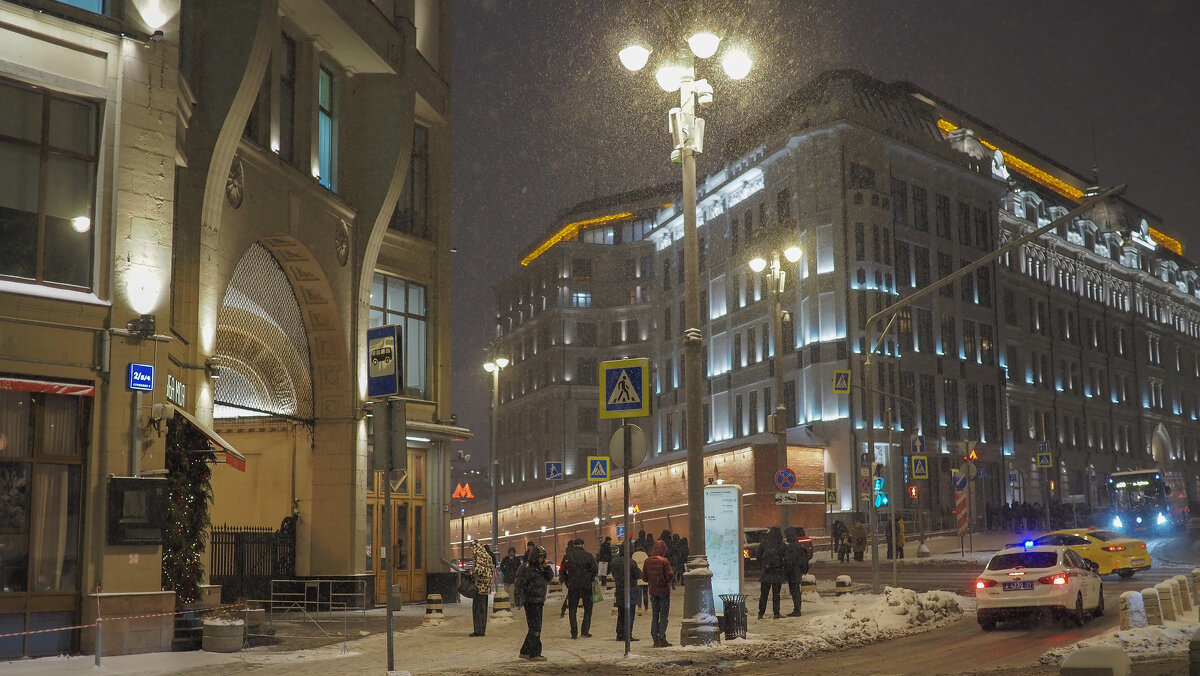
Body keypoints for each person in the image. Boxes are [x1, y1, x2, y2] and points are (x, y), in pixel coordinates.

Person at [514, 545, 554, 661]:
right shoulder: (525, 568)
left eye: (543, 557)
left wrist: (546, 568)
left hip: (539, 600)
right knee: (535, 628)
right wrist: (519, 601)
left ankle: (525, 651)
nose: (542, 560)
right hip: (531, 601)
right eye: (540, 557)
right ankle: (535, 653)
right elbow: (519, 585)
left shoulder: (541, 568)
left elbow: (549, 578)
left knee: (534, 627)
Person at [562, 537, 597, 639]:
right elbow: (595, 569)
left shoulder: (568, 556)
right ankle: (585, 631)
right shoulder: (588, 556)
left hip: (573, 586)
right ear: (583, 545)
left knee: (572, 609)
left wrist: (568, 581)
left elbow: (562, 571)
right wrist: (589, 579)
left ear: (574, 545)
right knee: (588, 608)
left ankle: (574, 633)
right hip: (586, 586)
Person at [642, 538, 675, 647]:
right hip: (664, 591)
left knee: (655, 615)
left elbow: (644, 578)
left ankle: (655, 639)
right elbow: (670, 575)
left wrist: (653, 582)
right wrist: (664, 582)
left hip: (652, 591)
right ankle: (662, 637)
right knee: (664, 615)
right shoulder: (664, 561)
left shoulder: (647, 561)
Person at [610, 542, 640, 641]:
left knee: (621, 614)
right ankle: (627, 634)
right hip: (630, 591)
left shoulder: (614, 562)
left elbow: (614, 575)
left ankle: (619, 634)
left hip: (619, 591)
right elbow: (638, 575)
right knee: (630, 615)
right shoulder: (631, 562)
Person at [757, 526, 786, 619]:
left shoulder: (764, 543)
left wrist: (764, 564)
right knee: (776, 595)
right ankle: (776, 613)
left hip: (766, 573)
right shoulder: (781, 544)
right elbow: (785, 558)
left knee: (764, 595)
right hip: (777, 573)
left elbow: (758, 555)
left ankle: (761, 613)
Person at [469, 540, 495, 637]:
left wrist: (471, 573)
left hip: (480, 586)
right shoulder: (487, 555)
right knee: (483, 610)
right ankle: (482, 629)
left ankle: (478, 630)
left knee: (478, 609)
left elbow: (479, 570)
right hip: (486, 587)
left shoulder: (479, 556)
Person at [783, 527, 810, 617]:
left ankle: (797, 609)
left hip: (793, 572)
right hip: (797, 571)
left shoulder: (791, 546)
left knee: (795, 591)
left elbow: (790, 560)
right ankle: (797, 608)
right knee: (796, 590)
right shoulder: (798, 545)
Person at [631, 545, 650, 612]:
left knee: (639, 594)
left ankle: (639, 608)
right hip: (645, 576)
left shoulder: (634, 556)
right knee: (645, 593)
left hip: (638, 576)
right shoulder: (645, 555)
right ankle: (646, 608)